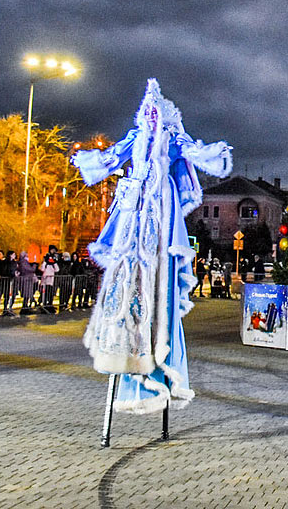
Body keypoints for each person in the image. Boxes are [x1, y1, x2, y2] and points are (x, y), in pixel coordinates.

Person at [72, 78, 231, 414]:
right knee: (127, 279)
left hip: (162, 215)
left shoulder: (173, 139)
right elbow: (112, 157)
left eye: (155, 111)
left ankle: (157, 357)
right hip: (134, 210)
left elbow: (193, 151)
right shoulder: (136, 138)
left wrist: (213, 153)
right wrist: (90, 161)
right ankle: (125, 349)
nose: (151, 117)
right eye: (147, 111)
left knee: (159, 284)